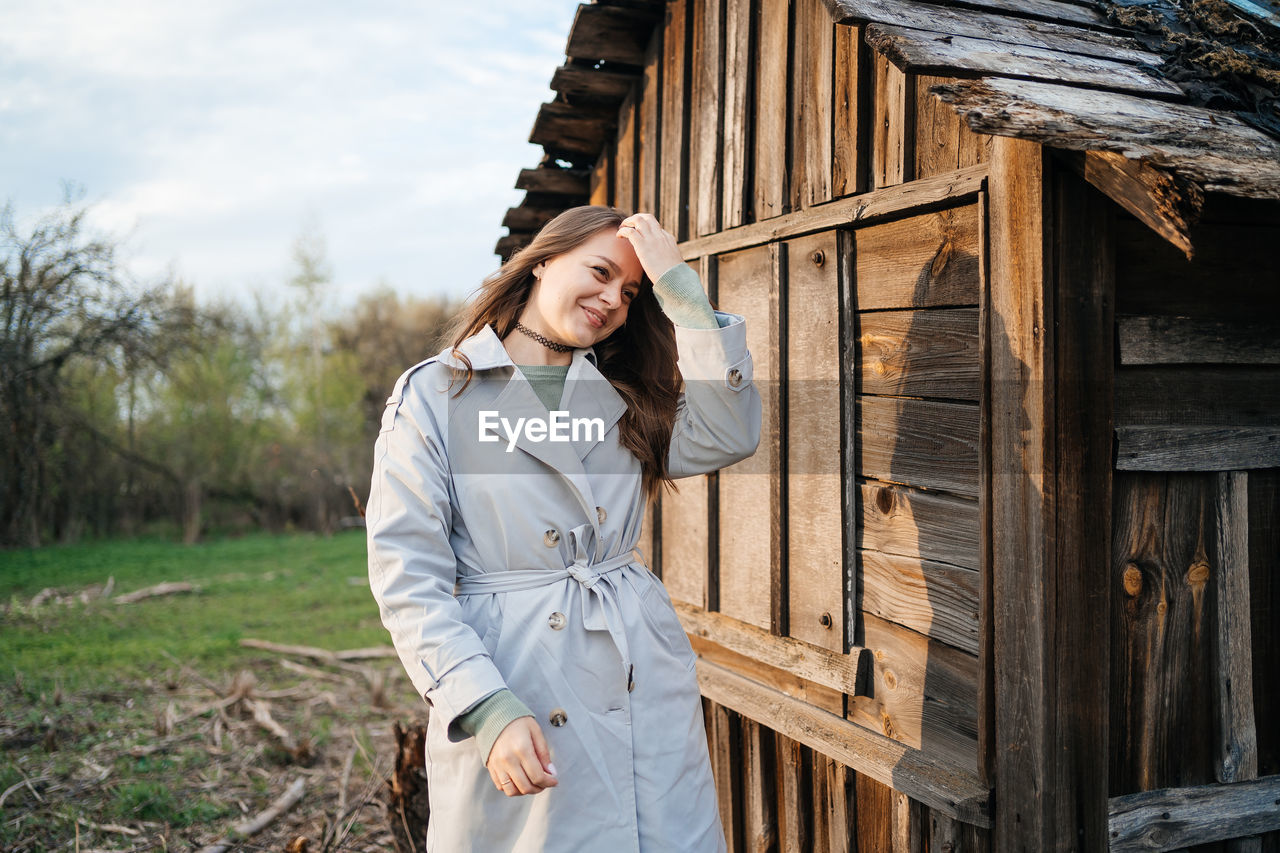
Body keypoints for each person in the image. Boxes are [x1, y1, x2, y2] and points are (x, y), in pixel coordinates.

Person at [366, 206, 762, 852]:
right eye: (600, 272)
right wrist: (486, 707)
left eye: (632, 293)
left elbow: (730, 430)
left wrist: (681, 292)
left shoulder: (627, 395)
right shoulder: (436, 395)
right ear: (544, 259)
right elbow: (408, 579)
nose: (612, 299)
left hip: (638, 675)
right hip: (514, 674)